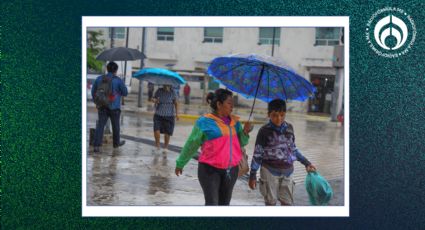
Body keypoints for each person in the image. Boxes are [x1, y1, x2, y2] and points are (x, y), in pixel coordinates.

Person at [175, 89, 253, 205]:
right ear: (219, 104)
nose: (232, 107)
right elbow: (191, 144)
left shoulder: (235, 123)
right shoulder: (204, 122)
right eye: (229, 103)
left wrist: (245, 132)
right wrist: (180, 163)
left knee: (224, 204)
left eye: (233, 104)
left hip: (231, 170)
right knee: (212, 203)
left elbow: (241, 143)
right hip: (209, 170)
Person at [248, 99, 316, 206]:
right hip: (269, 172)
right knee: (270, 203)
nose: (279, 118)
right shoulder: (264, 131)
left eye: (282, 115)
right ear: (268, 115)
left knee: (287, 204)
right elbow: (257, 154)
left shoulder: (289, 128)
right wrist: (252, 175)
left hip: (288, 172)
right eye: (274, 115)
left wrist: (307, 163)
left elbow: (293, 150)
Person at [91, 62, 128, 152]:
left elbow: (93, 92)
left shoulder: (99, 79)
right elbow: (125, 93)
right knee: (116, 126)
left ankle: (96, 145)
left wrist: (97, 103)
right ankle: (116, 144)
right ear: (116, 70)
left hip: (102, 106)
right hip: (114, 107)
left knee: (100, 125)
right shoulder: (118, 80)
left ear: (107, 69)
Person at [152, 84, 179, 153]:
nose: (165, 86)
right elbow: (153, 98)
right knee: (156, 129)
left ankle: (165, 147)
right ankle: (157, 145)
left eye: (167, 85)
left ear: (170, 85)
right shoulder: (159, 90)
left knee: (167, 132)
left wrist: (177, 114)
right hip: (158, 113)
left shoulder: (173, 92)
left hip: (169, 115)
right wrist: (155, 100)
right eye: (164, 84)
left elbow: (176, 103)